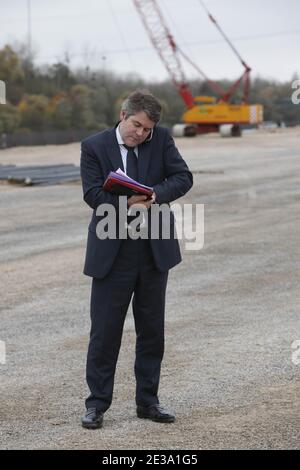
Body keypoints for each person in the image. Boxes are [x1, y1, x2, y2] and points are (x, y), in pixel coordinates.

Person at [80, 90, 193, 429]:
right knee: (104, 332)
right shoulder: (94, 146)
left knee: (151, 332)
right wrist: (129, 204)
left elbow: (183, 177)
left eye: (147, 129)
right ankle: (96, 405)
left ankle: (148, 402)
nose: (141, 134)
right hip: (112, 253)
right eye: (136, 126)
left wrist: (155, 195)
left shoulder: (161, 139)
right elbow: (92, 194)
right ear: (122, 113)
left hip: (152, 250)